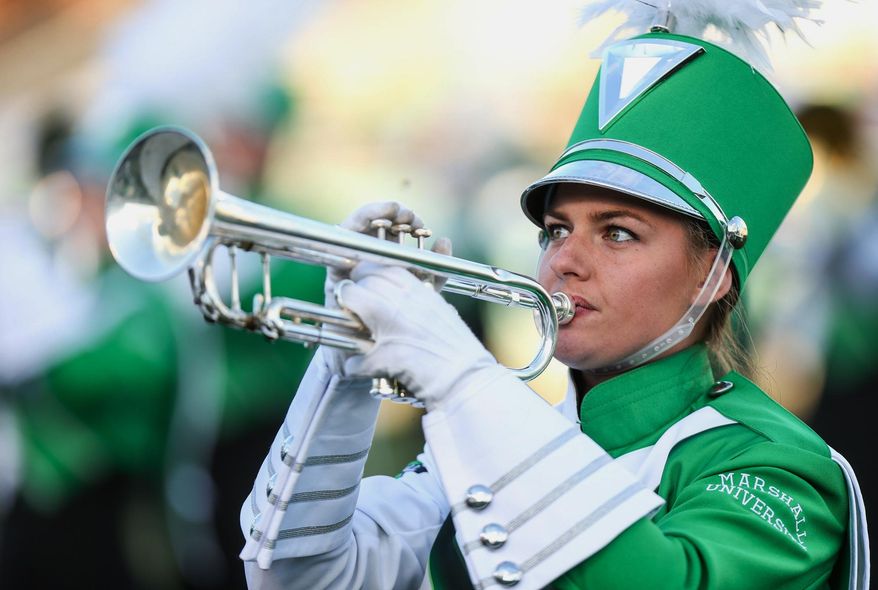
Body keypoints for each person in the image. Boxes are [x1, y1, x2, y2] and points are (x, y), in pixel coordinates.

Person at [237, 5, 869, 590]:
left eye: (618, 233)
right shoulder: (509, 433)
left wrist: (459, 376)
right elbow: (292, 575)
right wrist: (343, 371)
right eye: (556, 230)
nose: (564, 260)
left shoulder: (775, 466)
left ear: (714, 274)